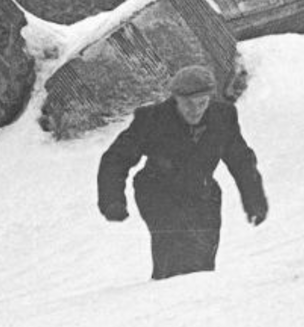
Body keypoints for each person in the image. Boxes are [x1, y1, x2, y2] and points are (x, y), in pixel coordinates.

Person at [97, 65, 268, 280]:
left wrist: (255, 201)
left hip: (203, 194)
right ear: (175, 99)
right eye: (188, 103)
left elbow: (241, 160)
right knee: (174, 255)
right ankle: (164, 299)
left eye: (202, 103)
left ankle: (189, 308)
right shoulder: (152, 119)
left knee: (202, 263)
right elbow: (115, 159)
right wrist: (113, 201)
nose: (195, 110)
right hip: (158, 192)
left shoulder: (223, 117)